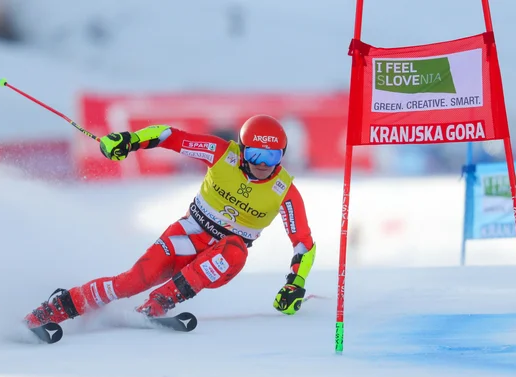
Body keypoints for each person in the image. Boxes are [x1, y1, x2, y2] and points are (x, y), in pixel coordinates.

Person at [24, 114, 317, 329]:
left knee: (234, 249)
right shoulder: (221, 154)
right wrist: (130, 140)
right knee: (131, 281)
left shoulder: (284, 190)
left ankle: (160, 302)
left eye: (272, 156)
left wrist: (296, 284)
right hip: (188, 236)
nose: (263, 164)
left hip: (223, 259)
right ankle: (58, 307)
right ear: (241, 150)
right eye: (255, 153)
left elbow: (303, 243)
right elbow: (169, 135)